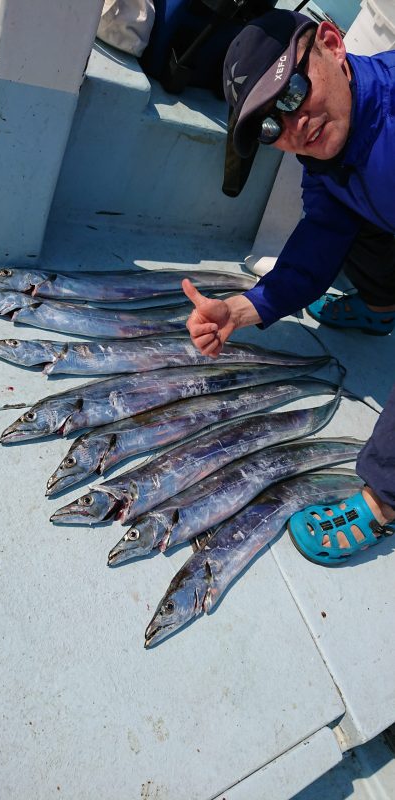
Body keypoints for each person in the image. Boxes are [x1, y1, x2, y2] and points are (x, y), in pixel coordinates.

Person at [182, 8, 395, 565]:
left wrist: (386, 480)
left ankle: (384, 506)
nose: (294, 124)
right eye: (271, 125)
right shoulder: (330, 153)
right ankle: (382, 305)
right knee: (347, 220)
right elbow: (318, 241)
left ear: (332, 43)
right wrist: (245, 308)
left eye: (292, 91)